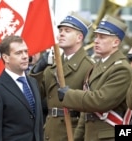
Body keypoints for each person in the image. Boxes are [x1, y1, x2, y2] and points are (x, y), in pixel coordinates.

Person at [57, 15, 132, 141]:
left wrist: (69, 95)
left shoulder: (122, 69)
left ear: (116, 42)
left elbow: (100, 101)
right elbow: (86, 114)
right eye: (96, 36)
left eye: (102, 37)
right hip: (91, 136)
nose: (96, 41)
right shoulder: (96, 66)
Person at [29, 11, 94, 141]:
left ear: (79, 37)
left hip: (72, 131)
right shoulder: (51, 65)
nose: (61, 34)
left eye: (67, 30)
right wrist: (37, 69)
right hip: (50, 131)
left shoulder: (89, 66)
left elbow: (90, 106)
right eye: (61, 30)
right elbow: (35, 95)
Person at [0, 35, 43, 141]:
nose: (25, 56)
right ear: (6, 58)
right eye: (18, 53)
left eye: (25, 51)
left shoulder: (33, 82)